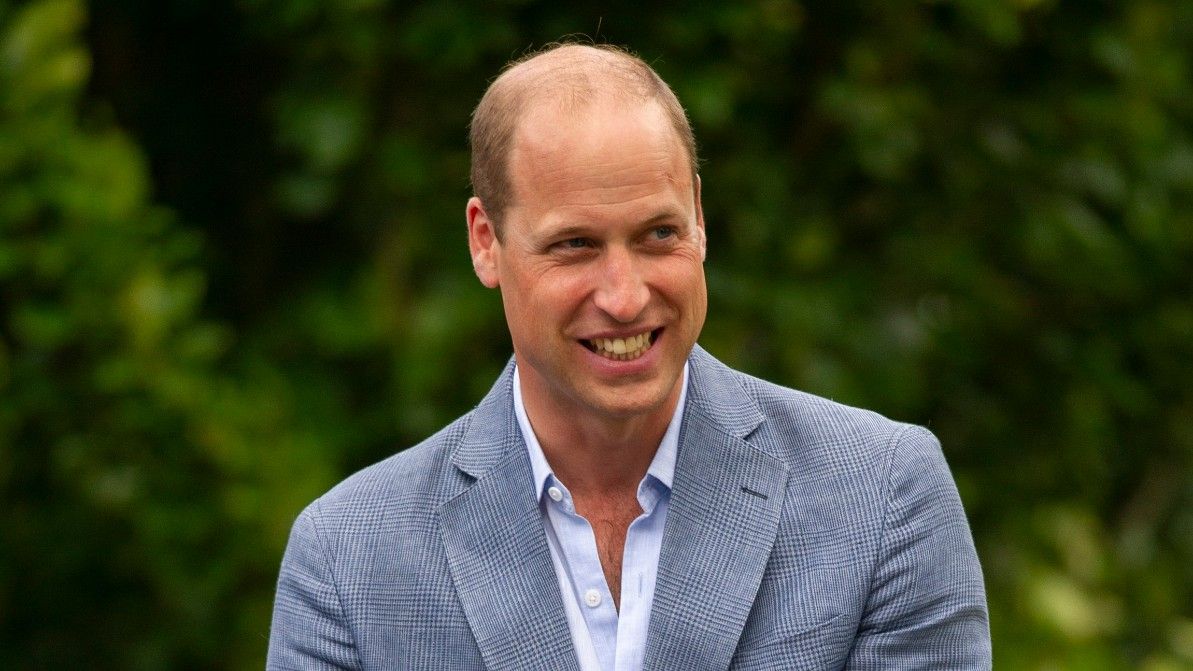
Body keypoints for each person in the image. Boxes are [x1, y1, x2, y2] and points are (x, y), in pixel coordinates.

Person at [267, 43, 991, 670]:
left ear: (699, 217)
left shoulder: (882, 497)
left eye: (656, 235)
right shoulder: (348, 558)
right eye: (574, 244)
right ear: (485, 240)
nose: (623, 295)